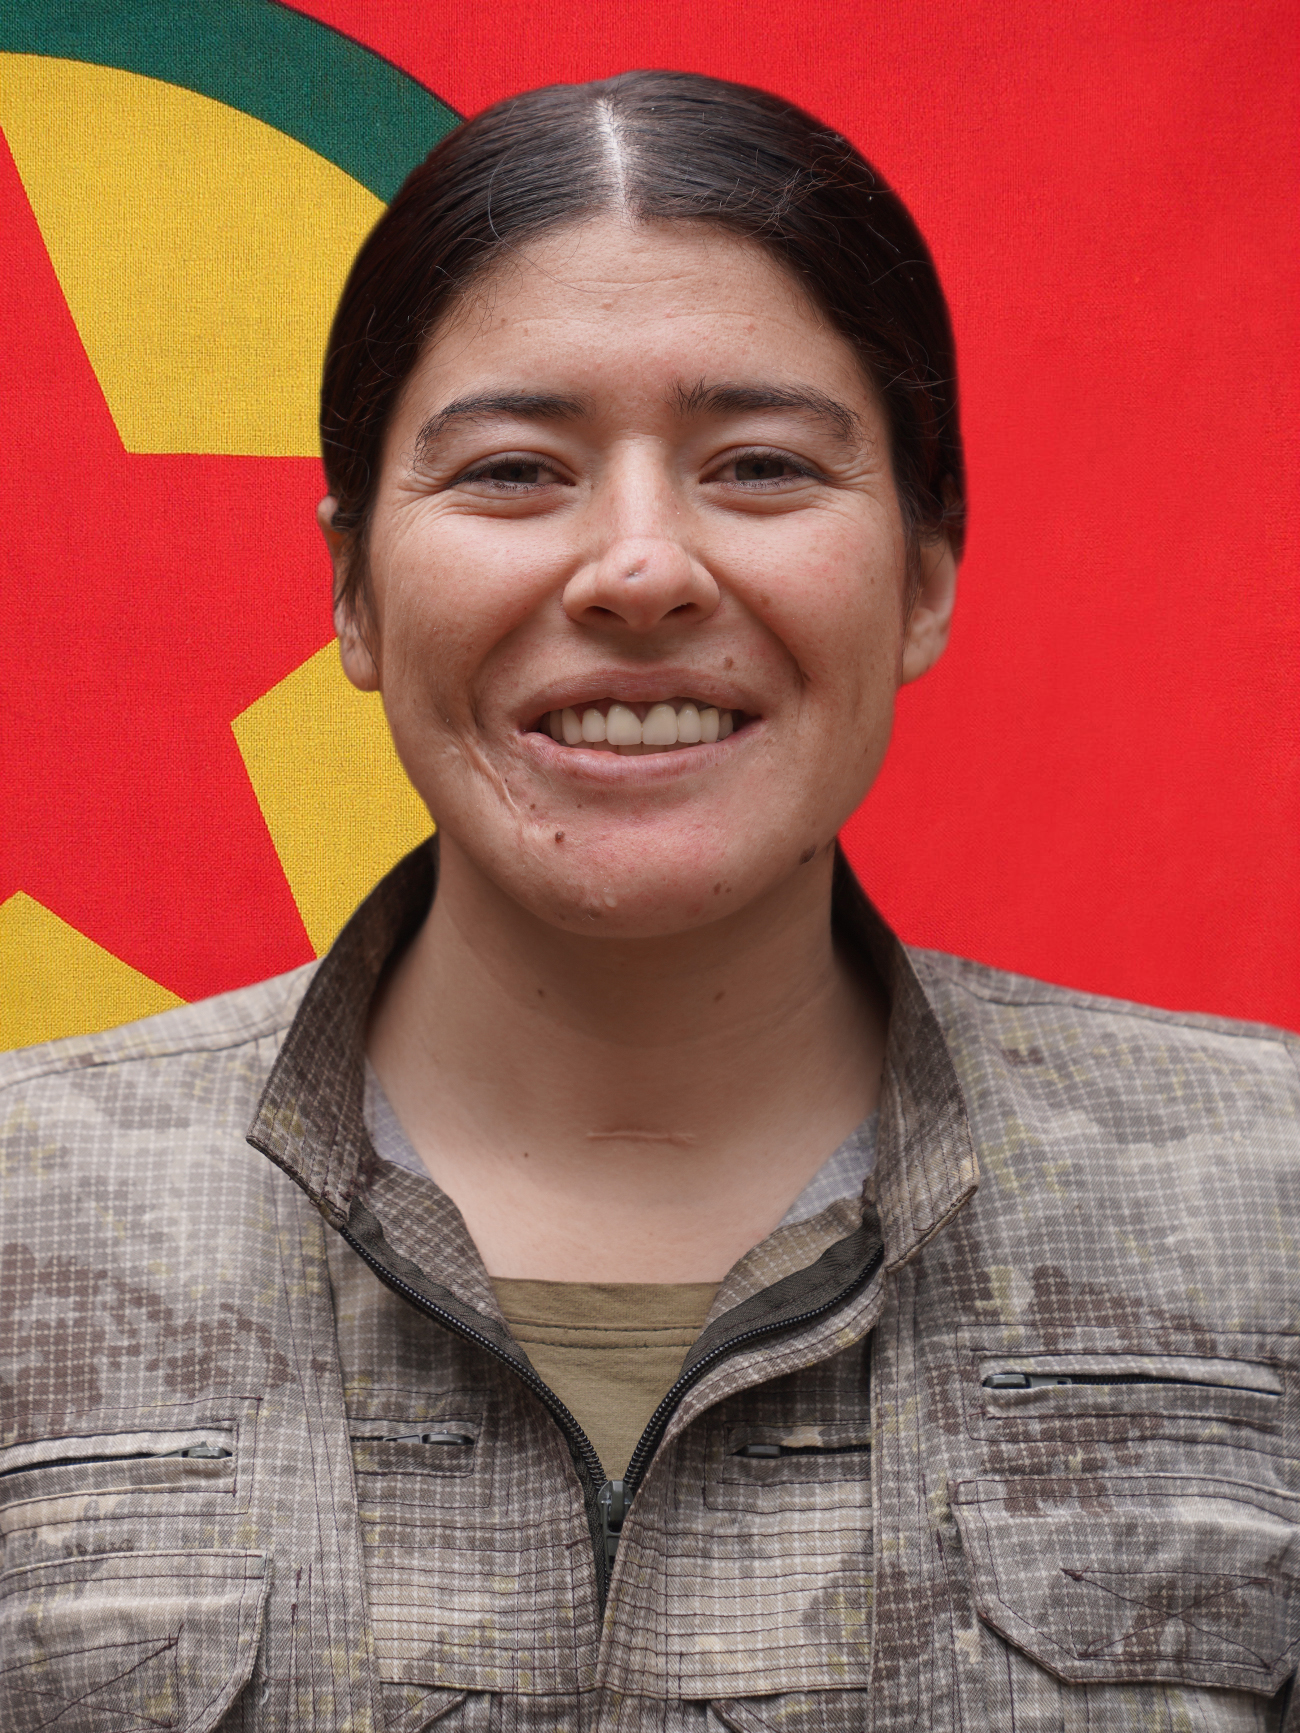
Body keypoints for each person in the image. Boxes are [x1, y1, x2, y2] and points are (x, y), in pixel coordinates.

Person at [1, 69, 1296, 1733]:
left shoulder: (1269, 1203)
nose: (639, 569)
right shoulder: (30, 1220)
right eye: (513, 471)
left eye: (758, 465)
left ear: (925, 571)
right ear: (352, 590)